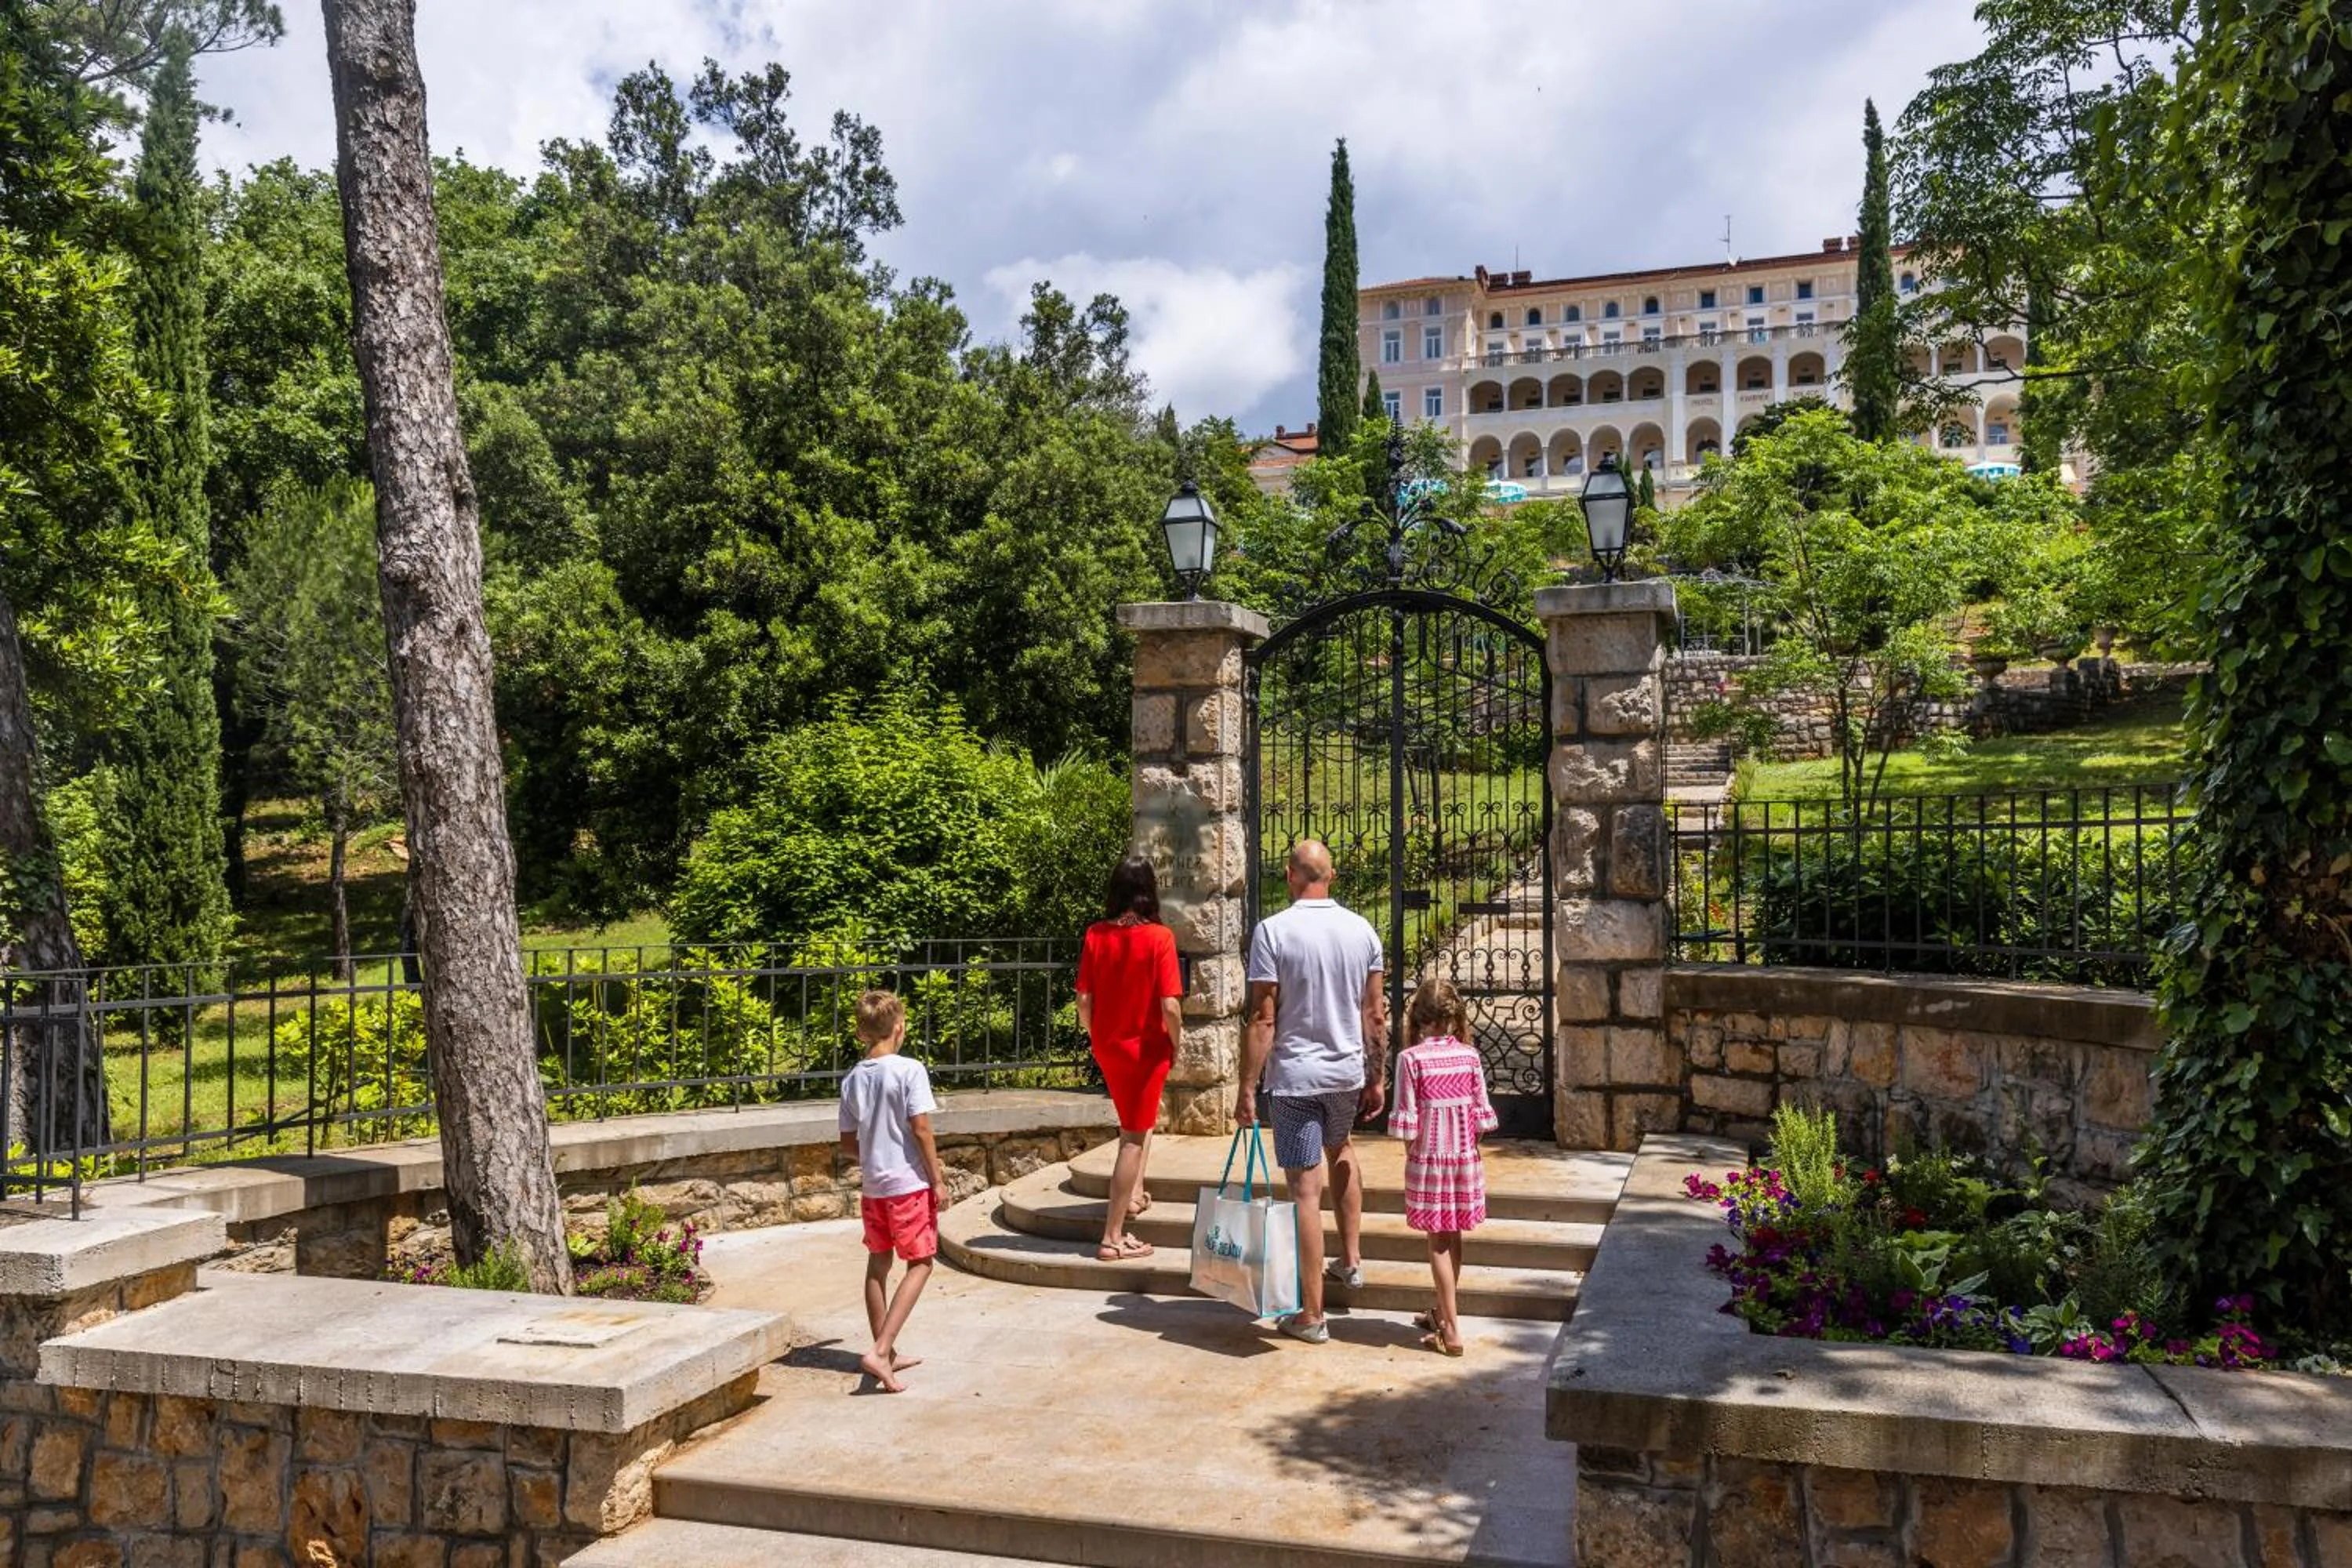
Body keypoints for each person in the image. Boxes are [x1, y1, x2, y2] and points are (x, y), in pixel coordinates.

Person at [1235, 839, 1385, 1345]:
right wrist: (1377, 1074)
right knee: (1341, 1149)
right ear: (1333, 875)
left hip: (1296, 1080)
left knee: (1303, 1188)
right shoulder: (1362, 930)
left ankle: (1311, 1314)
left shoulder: (1273, 931)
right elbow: (1375, 1014)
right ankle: (1352, 1260)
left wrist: (1247, 1087)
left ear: (1288, 876)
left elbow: (1263, 1016)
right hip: (1345, 1073)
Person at [837, 990, 949, 1392]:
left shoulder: (852, 1079)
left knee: (877, 1263)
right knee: (921, 1263)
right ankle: (882, 1351)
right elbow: (921, 1128)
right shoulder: (909, 1070)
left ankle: (888, 1349)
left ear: (860, 1032)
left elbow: (849, 1144)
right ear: (899, 1027)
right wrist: (936, 1179)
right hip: (907, 1184)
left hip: (874, 1187)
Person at [1076, 855, 1185, 1261]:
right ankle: (1113, 1236)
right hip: (1146, 1048)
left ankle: (1134, 1197)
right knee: (1134, 1139)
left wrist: (1097, 1036)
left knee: (1132, 1125)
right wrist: (1176, 1042)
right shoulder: (1159, 938)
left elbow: (1084, 1001)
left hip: (1110, 1045)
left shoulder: (1095, 935)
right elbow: (1170, 1006)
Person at [1388, 978, 1496, 1357]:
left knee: (1436, 1243)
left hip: (1428, 1160)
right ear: (1452, 1017)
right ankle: (1444, 1310)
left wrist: (1414, 1157)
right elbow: (1482, 1119)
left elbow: (1407, 1122)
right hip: (1465, 1158)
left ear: (1418, 1018)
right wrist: (1466, 1149)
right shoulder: (1469, 1056)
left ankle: (1451, 1328)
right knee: (1455, 1236)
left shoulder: (1410, 1060)